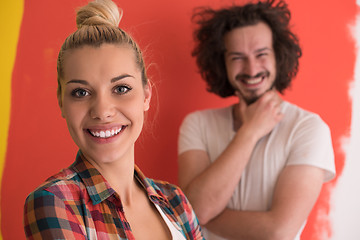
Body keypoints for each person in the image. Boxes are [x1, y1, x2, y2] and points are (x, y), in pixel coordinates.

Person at [23, 0, 204, 239]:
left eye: (120, 88)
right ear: (61, 102)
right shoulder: (54, 202)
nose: (103, 111)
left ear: (146, 95)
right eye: (81, 92)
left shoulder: (176, 202)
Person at [177, 0, 336, 239]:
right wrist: (250, 132)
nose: (251, 69)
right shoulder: (197, 124)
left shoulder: (309, 128)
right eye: (238, 57)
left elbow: (279, 231)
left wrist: (203, 216)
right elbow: (194, 210)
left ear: (278, 56)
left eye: (261, 54)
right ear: (223, 63)